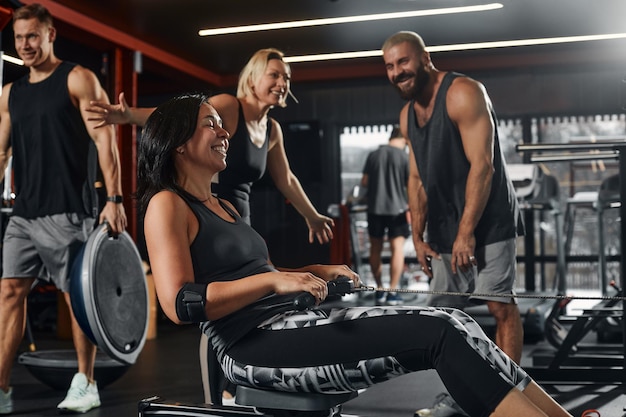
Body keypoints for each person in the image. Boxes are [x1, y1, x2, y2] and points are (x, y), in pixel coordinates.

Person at [137, 92, 572, 417]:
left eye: (221, 123)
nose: (224, 131)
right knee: (437, 331)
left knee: (455, 320)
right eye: (211, 123)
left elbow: (260, 274)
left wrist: (312, 271)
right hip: (250, 348)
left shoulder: (224, 206)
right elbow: (180, 303)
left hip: (287, 325)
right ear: (178, 142)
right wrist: (274, 281)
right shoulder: (167, 205)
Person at [382, 31, 525, 416]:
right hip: (445, 227)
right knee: (445, 317)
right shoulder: (407, 115)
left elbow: (484, 164)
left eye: (404, 62)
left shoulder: (462, 93)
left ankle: (508, 397)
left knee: (499, 307)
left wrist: (467, 233)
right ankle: (460, 396)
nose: (397, 72)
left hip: (490, 221)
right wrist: (417, 234)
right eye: (390, 66)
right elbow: (417, 177)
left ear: (425, 58)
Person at [0, 4, 127, 414]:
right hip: (25, 213)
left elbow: (106, 141)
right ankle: (1, 388)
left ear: (51, 35)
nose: (25, 45)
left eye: (33, 36)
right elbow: (1, 152)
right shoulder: (10, 94)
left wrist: (114, 199)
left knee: (76, 298)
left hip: (68, 211)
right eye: (19, 38)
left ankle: (86, 383)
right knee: (8, 292)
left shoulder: (77, 79)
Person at [86, 48, 334, 243]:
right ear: (252, 79)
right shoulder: (228, 106)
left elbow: (286, 180)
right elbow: (178, 119)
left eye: (287, 78)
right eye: (274, 75)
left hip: (240, 218)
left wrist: (312, 216)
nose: (282, 83)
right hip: (207, 214)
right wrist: (129, 116)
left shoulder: (272, 130)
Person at [360, 126, 410, 305]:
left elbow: (364, 181)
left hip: (375, 209)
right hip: (397, 210)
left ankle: (380, 289)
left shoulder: (374, 155)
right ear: (404, 138)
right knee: (397, 249)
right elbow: (410, 185)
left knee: (375, 249)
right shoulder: (404, 157)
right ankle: (392, 292)